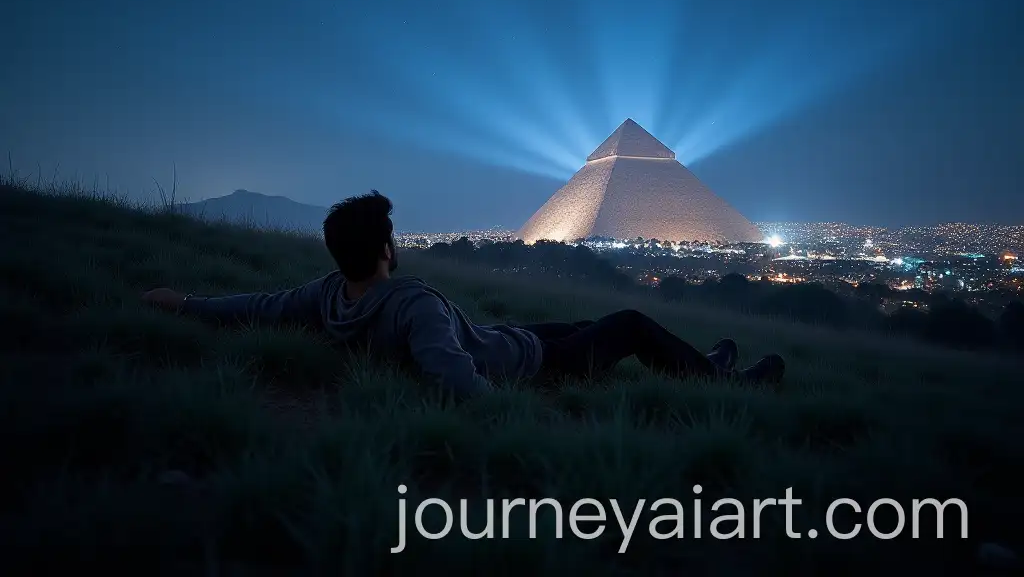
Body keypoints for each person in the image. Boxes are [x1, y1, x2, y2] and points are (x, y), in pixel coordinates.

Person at [142, 190, 785, 399]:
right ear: (385, 250)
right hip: (532, 366)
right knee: (633, 322)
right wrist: (502, 410)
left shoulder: (331, 295)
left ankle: (704, 365)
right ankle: (729, 385)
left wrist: (190, 304)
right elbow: (452, 372)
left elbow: (261, 306)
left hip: (512, 341)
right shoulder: (412, 304)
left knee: (588, 322)